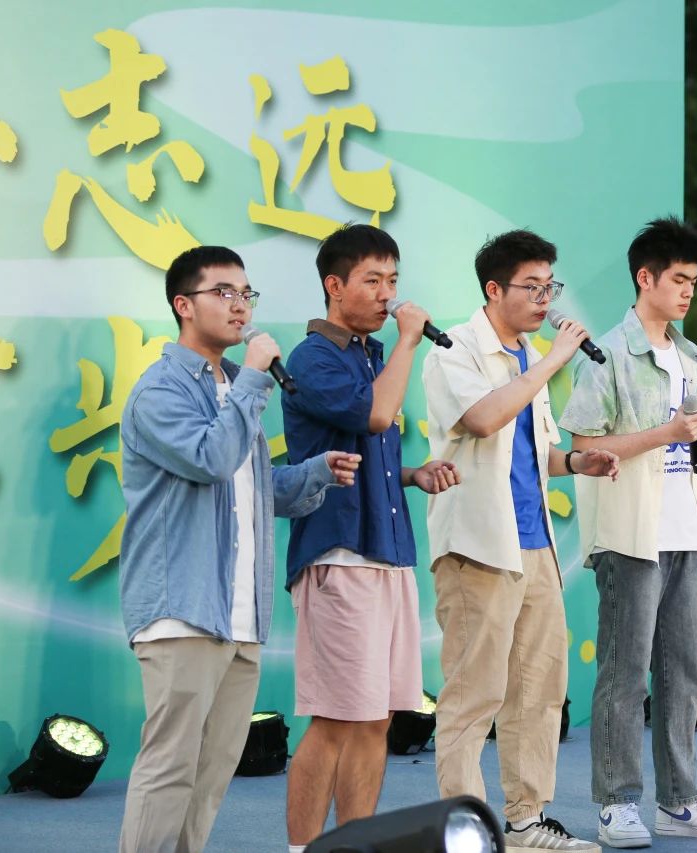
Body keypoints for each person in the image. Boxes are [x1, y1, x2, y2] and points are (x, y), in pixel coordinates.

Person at [118, 246, 360, 853]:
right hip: (183, 610)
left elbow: (250, 489)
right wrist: (253, 379)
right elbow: (211, 460)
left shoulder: (233, 385)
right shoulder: (160, 391)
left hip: (240, 615)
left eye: (246, 293)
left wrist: (314, 473)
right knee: (170, 766)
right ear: (183, 305)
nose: (240, 306)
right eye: (223, 292)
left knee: (211, 773)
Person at [423, 229, 619, 851]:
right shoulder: (455, 349)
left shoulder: (529, 355)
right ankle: (465, 829)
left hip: (535, 546)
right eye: (531, 287)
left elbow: (536, 453)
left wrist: (577, 462)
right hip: (478, 546)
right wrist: (554, 360)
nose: (544, 300)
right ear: (493, 289)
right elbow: (483, 420)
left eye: (549, 287)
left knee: (539, 690)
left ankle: (527, 821)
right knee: (473, 694)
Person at [559, 217, 697, 849]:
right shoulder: (608, 352)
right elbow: (583, 446)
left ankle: (680, 800)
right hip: (630, 536)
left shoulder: (690, 355)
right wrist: (662, 435)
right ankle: (616, 803)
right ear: (646, 278)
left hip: (687, 533)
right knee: (625, 672)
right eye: (679, 279)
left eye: (694, 280)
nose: (689, 290)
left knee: (684, 673)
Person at [280, 224, 459, 852]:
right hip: (338, 555)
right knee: (336, 718)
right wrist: (409, 338)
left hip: (388, 553)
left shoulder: (371, 355)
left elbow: (368, 444)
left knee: (377, 718)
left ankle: (351, 845)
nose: (388, 294)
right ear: (335, 286)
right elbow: (376, 415)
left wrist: (411, 474)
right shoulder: (313, 358)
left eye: (394, 281)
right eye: (373, 280)